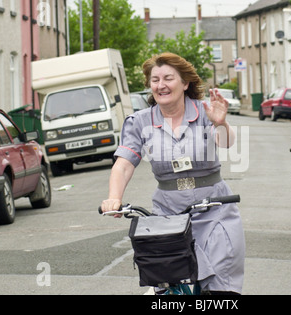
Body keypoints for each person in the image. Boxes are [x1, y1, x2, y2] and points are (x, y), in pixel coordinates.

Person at [101, 52, 245, 295]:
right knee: (168, 288)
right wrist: (113, 197)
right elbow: (124, 163)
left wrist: (221, 123)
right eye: (155, 80)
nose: (161, 85)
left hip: (214, 208)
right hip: (168, 214)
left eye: (168, 78)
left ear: (185, 83)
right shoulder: (139, 121)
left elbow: (227, 143)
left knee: (222, 289)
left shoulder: (205, 111)